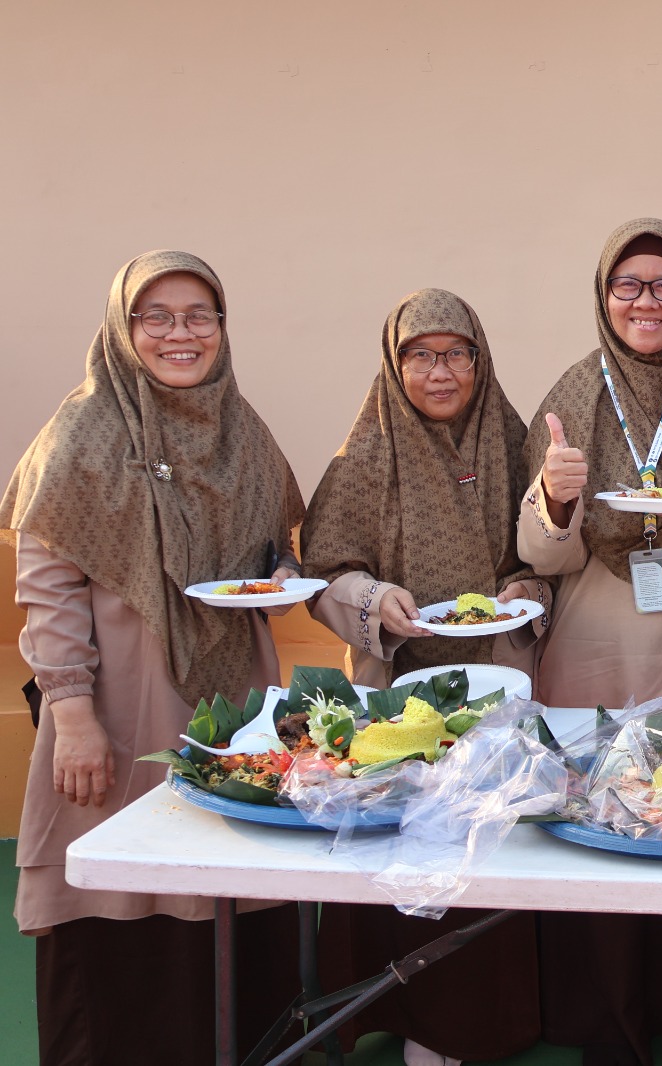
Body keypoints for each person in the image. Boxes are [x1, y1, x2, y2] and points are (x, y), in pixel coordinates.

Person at [1, 250, 304, 1065]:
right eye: (156, 316)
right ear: (122, 327)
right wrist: (72, 719)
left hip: (233, 699)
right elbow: (48, 586)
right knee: (128, 871)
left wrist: (280, 575)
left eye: (199, 315)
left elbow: (276, 545)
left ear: (221, 328)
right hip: (124, 704)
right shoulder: (82, 431)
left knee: (226, 864)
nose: (180, 333)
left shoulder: (242, 428)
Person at [521, 218, 662, 1064]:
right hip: (599, 629)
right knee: (605, 807)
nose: (645, 302)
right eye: (628, 286)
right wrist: (553, 498)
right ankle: (606, 1015)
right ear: (602, 296)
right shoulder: (574, 391)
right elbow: (541, 555)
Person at [301, 288, 550, 1066]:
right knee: (404, 853)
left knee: (487, 849)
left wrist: (526, 595)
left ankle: (485, 1022)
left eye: (456, 353)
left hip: (496, 685)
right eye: (420, 354)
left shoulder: (511, 443)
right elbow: (324, 573)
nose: (439, 371)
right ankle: (411, 1018)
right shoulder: (364, 455)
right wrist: (375, 600)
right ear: (393, 361)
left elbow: (542, 559)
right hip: (395, 695)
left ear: (480, 360)